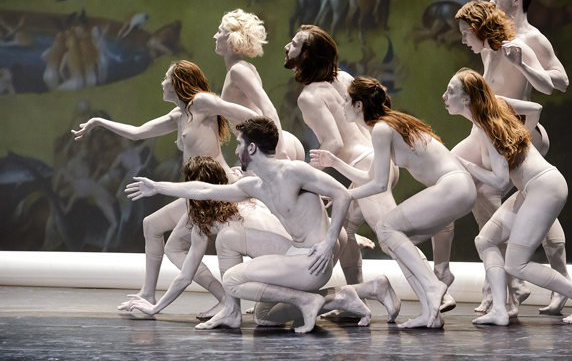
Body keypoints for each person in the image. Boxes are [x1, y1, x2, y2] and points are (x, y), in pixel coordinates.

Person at [125, 117, 401, 333]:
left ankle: (308, 300)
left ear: (252, 148)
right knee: (264, 316)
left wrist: (329, 241)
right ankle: (358, 292)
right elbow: (204, 189)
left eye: (239, 144)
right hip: (301, 253)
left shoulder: (293, 171)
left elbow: (343, 194)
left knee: (232, 280)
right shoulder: (255, 185)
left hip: (313, 259)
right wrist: (157, 187)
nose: (236, 150)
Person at [72, 60, 258, 317]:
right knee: (151, 225)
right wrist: (98, 122)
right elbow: (137, 133)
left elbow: (250, 117)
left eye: (166, 78)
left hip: (214, 188)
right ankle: (148, 293)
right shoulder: (179, 115)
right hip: (195, 192)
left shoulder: (201, 102)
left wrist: (248, 160)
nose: (162, 83)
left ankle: (224, 299)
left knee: (175, 247)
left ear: (178, 83)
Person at [432, 0, 563, 317]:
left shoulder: (516, 48)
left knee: (513, 199)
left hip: (513, 135)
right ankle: (490, 281)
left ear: (478, 28)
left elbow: (549, 87)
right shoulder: (488, 52)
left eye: (465, 32)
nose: (462, 39)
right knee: (458, 186)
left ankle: (504, 284)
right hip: (489, 134)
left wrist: (517, 135)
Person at [311, 77, 477, 328]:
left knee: (386, 227)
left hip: (453, 186)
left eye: (346, 100)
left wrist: (344, 195)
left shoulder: (381, 128)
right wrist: (335, 163)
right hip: (460, 189)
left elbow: (379, 185)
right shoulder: (384, 127)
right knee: (396, 241)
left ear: (359, 105)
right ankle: (431, 314)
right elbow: (370, 178)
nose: (342, 105)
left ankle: (434, 286)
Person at [442, 68, 572, 325]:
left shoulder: (489, 127)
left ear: (467, 99)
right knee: (485, 241)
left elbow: (500, 181)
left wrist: (465, 164)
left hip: (544, 187)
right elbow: (535, 109)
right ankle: (500, 310)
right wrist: (523, 136)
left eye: (451, 91)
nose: (445, 96)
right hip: (532, 188)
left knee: (516, 264)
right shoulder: (496, 108)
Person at [286, 25, 400, 300]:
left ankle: (436, 286)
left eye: (294, 43)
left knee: (393, 237)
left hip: (365, 167)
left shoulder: (309, 96)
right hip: (379, 161)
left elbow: (333, 143)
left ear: (306, 55)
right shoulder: (343, 78)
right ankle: (355, 296)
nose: (287, 46)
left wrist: (304, 180)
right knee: (344, 231)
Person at [123, 155, 293, 319]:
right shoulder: (247, 192)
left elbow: (185, 277)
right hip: (302, 261)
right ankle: (297, 298)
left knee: (262, 317)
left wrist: (155, 308)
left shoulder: (208, 219)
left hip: (288, 271)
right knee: (262, 309)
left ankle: (300, 302)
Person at [490, 0, 571, 314]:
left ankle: (507, 286)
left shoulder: (532, 38)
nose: (492, 2)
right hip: (499, 132)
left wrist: (523, 64)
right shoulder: (497, 37)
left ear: (517, 0)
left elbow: (560, 82)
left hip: (521, 133)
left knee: (491, 193)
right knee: (537, 204)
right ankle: (555, 283)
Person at [214, 9, 305, 161]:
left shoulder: (238, 70)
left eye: (219, 32)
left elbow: (268, 107)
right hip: (270, 143)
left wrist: (280, 151)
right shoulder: (244, 68)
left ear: (230, 39)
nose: (215, 36)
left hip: (267, 146)